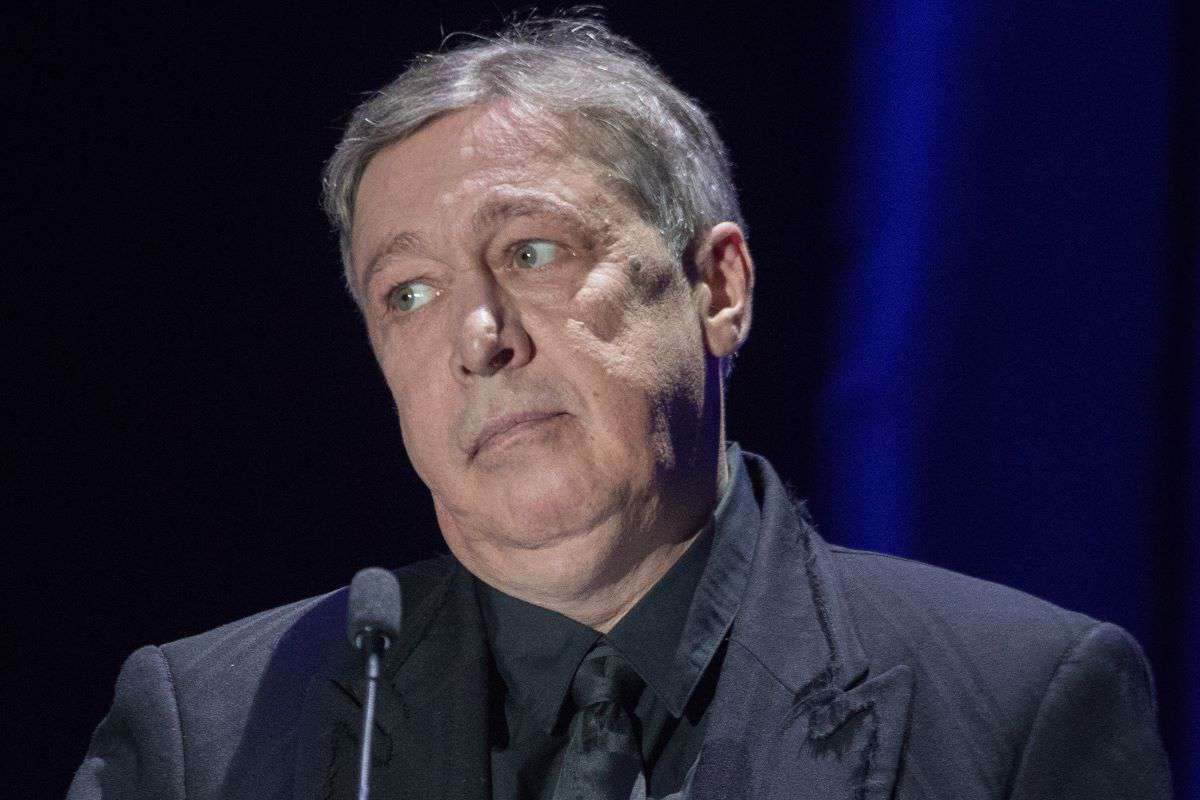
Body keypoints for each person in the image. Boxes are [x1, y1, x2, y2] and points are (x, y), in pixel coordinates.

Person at [68, 16, 1172, 800]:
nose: (479, 334)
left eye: (532, 251)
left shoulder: (1019, 704)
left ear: (718, 288)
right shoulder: (210, 733)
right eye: (407, 293)